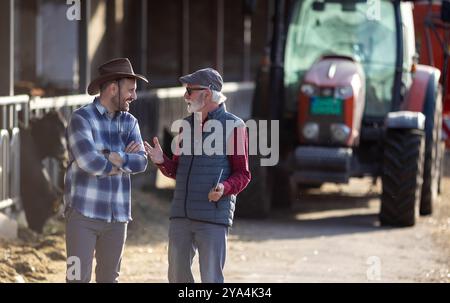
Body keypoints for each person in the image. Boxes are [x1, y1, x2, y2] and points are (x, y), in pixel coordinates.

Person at [145, 68, 251, 283]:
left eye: (190, 90)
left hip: (213, 217)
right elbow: (177, 170)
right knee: (176, 277)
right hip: (180, 217)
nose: (186, 96)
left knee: (211, 279)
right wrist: (160, 161)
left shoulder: (235, 126)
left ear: (208, 93)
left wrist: (224, 188)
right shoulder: (185, 126)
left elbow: (243, 174)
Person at [64, 58, 148, 283]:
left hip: (118, 217)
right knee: (76, 279)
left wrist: (114, 157)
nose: (134, 96)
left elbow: (141, 162)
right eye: (130, 90)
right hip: (83, 214)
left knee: (110, 279)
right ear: (113, 87)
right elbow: (88, 161)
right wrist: (123, 161)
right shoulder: (81, 118)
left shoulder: (131, 122)